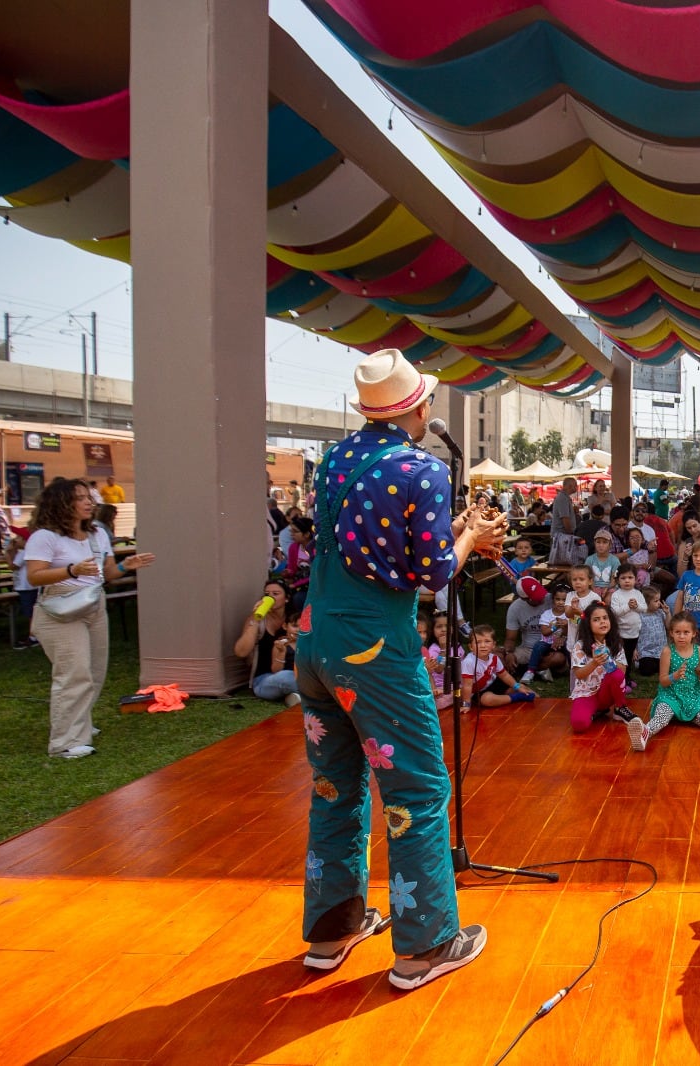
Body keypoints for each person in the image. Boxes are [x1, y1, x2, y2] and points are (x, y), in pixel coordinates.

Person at [295, 349, 505, 989]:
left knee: (335, 782)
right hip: (374, 652)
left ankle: (333, 928)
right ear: (421, 405)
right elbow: (436, 572)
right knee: (416, 789)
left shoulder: (333, 461)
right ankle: (426, 946)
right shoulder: (422, 468)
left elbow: (373, 547)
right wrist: (474, 537)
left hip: (315, 639)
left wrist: (458, 530)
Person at [24, 478, 156, 758]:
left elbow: (106, 573)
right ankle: (65, 742)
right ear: (61, 504)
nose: (89, 502)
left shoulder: (97, 534)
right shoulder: (45, 536)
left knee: (95, 670)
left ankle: (81, 723)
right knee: (74, 673)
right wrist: (71, 571)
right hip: (59, 610)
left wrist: (125, 565)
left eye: (89, 497)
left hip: (92, 605)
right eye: (81, 498)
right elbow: (34, 576)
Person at [627, 611, 700, 751]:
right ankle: (644, 733)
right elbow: (662, 681)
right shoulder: (668, 651)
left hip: (692, 697)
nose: (681, 636)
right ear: (671, 633)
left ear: (693, 633)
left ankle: (679, 715)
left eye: (686, 632)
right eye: (677, 632)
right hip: (670, 696)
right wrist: (675, 675)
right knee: (660, 718)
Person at [233, 578, 302, 707]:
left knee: (301, 677)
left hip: (296, 672)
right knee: (287, 678)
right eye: (267, 594)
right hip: (264, 679)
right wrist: (256, 619)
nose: (270, 597)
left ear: (286, 598)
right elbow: (241, 652)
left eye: (275, 594)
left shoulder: (294, 620)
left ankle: (294, 696)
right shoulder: (257, 619)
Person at [568, 603, 629, 731]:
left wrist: (608, 658)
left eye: (605, 618)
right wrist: (594, 663)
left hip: (606, 693)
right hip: (586, 694)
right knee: (579, 725)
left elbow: (622, 672)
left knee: (616, 674)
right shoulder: (580, 646)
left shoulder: (615, 643)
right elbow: (578, 674)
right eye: (596, 620)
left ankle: (620, 708)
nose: (602, 622)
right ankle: (596, 712)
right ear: (588, 624)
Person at [461, 625, 536, 708]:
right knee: (487, 700)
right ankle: (515, 698)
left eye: (487, 641)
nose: (483, 645)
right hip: (478, 691)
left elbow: (504, 675)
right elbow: (467, 685)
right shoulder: (469, 662)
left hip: (493, 683)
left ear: (493, 645)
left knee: (518, 687)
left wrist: (517, 686)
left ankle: (537, 699)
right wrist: (466, 704)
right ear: (471, 647)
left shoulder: (494, 658)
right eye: (478, 642)